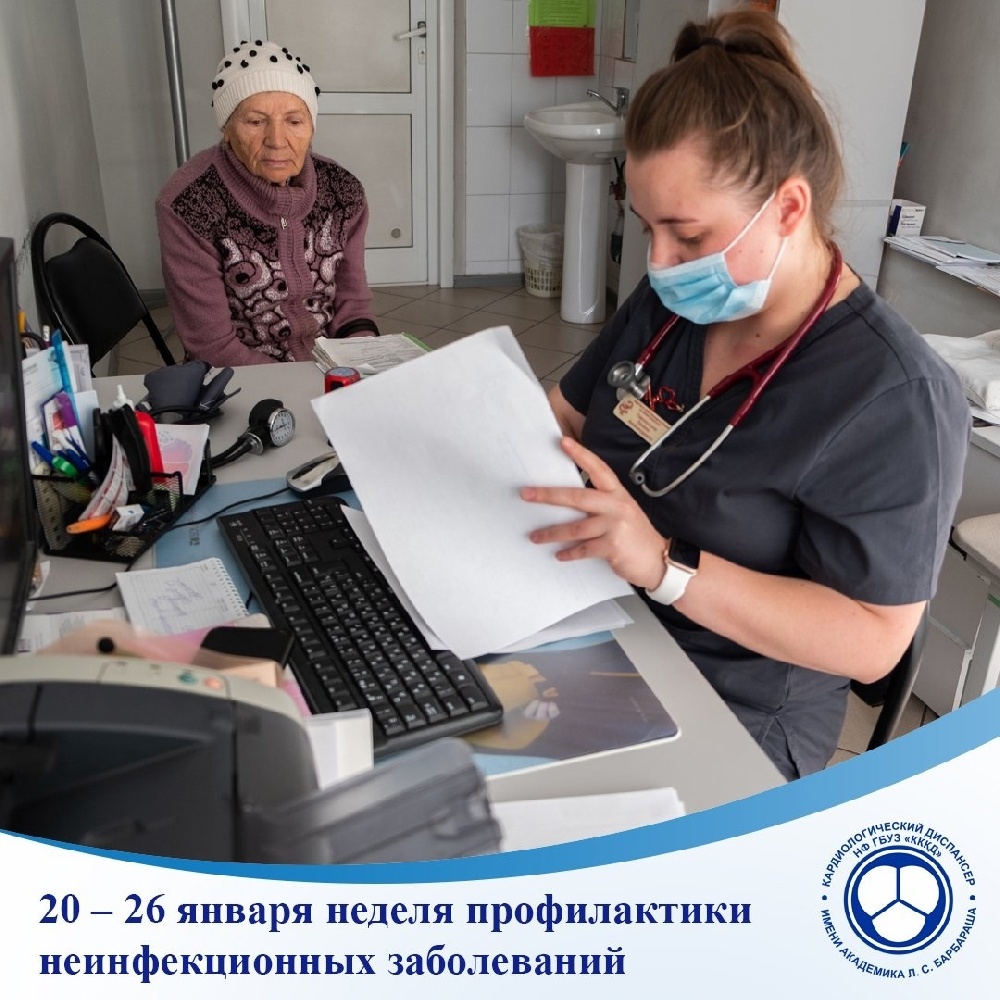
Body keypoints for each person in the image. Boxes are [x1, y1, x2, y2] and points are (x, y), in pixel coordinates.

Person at [520, 10, 971, 780]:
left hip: (734, 707)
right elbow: (562, 415)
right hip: (595, 622)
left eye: (688, 235)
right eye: (648, 227)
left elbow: (873, 640)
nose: (661, 262)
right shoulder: (673, 304)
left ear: (789, 208)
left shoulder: (895, 394)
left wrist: (664, 566)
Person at [155, 40, 379, 367]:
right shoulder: (189, 203)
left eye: (294, 121)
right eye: (256, 121)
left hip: (329, 365)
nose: (276, 141)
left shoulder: (343, 192)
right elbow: (212, 345)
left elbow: (353, 305)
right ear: (226, 128)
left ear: (311, 127)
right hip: (241, 373)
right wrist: (300, 384)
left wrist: (359, 365)